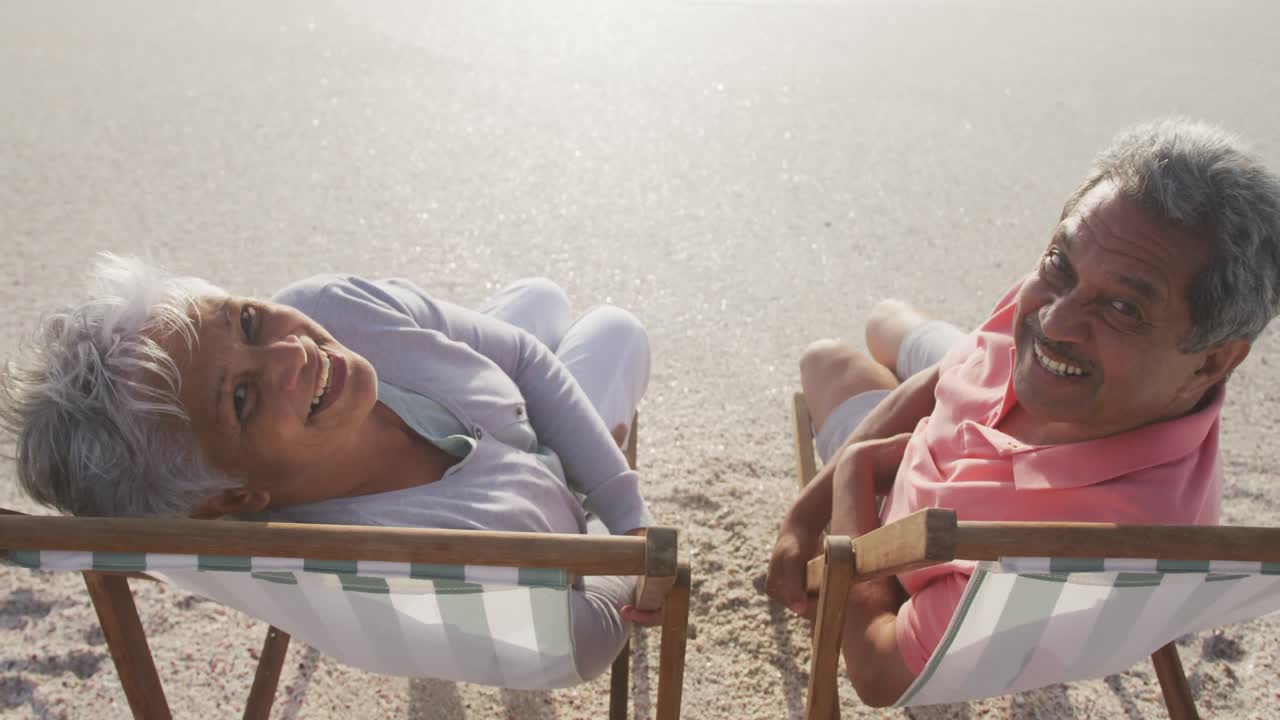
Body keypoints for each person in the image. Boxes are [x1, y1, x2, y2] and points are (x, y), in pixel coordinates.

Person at [765, 118, 1280, 706]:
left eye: (1123, 308)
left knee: (825, 360)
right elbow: (951, 374)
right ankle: (902, 333)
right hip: (997, 382)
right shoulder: (1089, 314)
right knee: (889, 321)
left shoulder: (1060, 555)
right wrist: (803, 515)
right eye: (1059, 262)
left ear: (1212, 361)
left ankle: (896, 345)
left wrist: (852, 476)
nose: (1055, 318)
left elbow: (878, 671)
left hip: (898, 498)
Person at [0, 257, 657, 681]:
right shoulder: (400, 561)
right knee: (616, 329)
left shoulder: (332, 309)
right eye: (242, 399)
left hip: (495, 411)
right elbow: (586, 639)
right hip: (551, 502)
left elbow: (522, 357)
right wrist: (619, 532)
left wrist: (626, 507)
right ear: (230, 497)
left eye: (248, 321)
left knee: (538, 299)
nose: (294, 351)